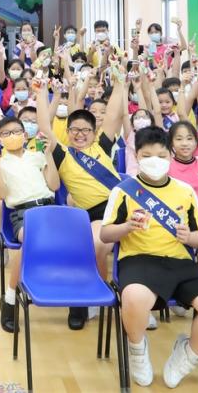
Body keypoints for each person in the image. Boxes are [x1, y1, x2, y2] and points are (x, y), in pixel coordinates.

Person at [99, 126, 198, 389]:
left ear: (170, 155)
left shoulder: (185, 190)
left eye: (161, 155)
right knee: (133, 298)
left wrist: (189, 237)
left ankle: (187, 355)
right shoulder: (124, 190)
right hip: (139, 259)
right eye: (147, 156)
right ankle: (137, 350)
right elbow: (105, 234)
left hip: (181, 262)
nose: (154, 161)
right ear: (137, 156)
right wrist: (127, 227)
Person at [39, 76, 124, 330]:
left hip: (121, 206)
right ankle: (83, 299)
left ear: (94, 132)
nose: (80, 134)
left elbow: (113, 113)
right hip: (92, 214)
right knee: (93, 245)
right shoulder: (63, 154)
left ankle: (118, 295)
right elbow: (44, 124)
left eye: (85, 130)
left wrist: (120, 81)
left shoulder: (102, 146)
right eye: (74, 130)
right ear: (67, 132)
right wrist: (41, 90)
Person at [0, 115, 60, 333]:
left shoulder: (37, 156)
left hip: (49, 209)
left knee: (78, 241)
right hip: (23, 213)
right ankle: (10, 299)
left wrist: (48, 155)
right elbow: (0, 195)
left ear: (25, 135)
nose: (13, 136)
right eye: (6, 133)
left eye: (17, 132)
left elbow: (54, 186)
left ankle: (78, 303)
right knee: (30, 241)